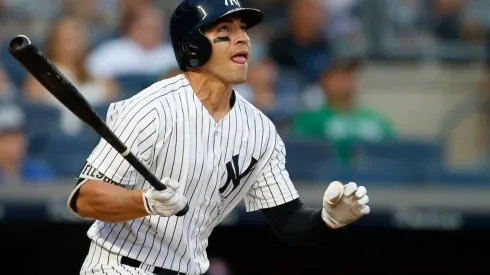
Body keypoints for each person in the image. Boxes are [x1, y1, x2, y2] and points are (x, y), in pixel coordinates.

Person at [66, 1, 370, 275]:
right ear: (194, 45)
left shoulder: (260, 130)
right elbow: (85, 198)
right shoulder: (151, 109)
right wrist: (144, 201)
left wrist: (329, 218)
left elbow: (290, 223)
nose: (242, 39)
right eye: (224, 31)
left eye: (243, 30)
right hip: (120, 266)